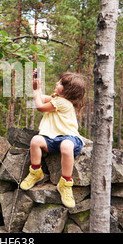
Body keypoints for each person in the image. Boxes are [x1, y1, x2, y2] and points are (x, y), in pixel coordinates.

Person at [20, 69, 86, 208]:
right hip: (52, 139)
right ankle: (36, 171)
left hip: (70, 138)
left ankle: (65, 183)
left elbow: (40, 107)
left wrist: (36, 91)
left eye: (61, 83)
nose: (57, 83)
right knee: (36, 141)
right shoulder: (58, 99)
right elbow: (40, 97)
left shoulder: (63, 103)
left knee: (66, 146)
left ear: (69, 90)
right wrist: (36, 88)